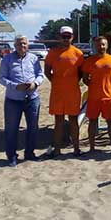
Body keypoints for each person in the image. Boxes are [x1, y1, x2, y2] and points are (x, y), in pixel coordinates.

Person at [0, 35, 44, 167]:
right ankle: (12, 156)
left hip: (32, 98)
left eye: (24, 43)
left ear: (27, 45)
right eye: (19, 44)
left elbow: (40, 74)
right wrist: (15, 86)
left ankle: (30, 153)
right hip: (13, 100)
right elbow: (1, 78)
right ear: (15, 45)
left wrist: (35, 83)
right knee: (11, 129)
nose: (22, 46)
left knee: (33, 128)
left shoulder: (34, 58)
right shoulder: (7, 59)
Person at [44, 26, 84, 157]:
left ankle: (76, 149)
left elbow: (81, 73)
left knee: (73, 120)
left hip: (73, 93)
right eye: (64, 36)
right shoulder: (52, 53)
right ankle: (57, 150)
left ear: (72, 37)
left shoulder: (78, 53)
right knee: (59, 121)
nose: (66, 39)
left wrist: (72, 82)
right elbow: (47, 71)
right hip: (57, 93)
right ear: (59, 37)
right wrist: (56, 82)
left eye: (68, 36)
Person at [82, 36, 111, 153]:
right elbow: (85, 79)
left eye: (103, 44)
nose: (101, 47)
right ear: (95, 46)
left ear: (107, 46)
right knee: (92, 122)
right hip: (93, 97)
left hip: (109, 97)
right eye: (99, 45)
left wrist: (110, 85)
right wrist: (94, 86)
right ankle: (92, 148)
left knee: (110, 122)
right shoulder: (89, 61)